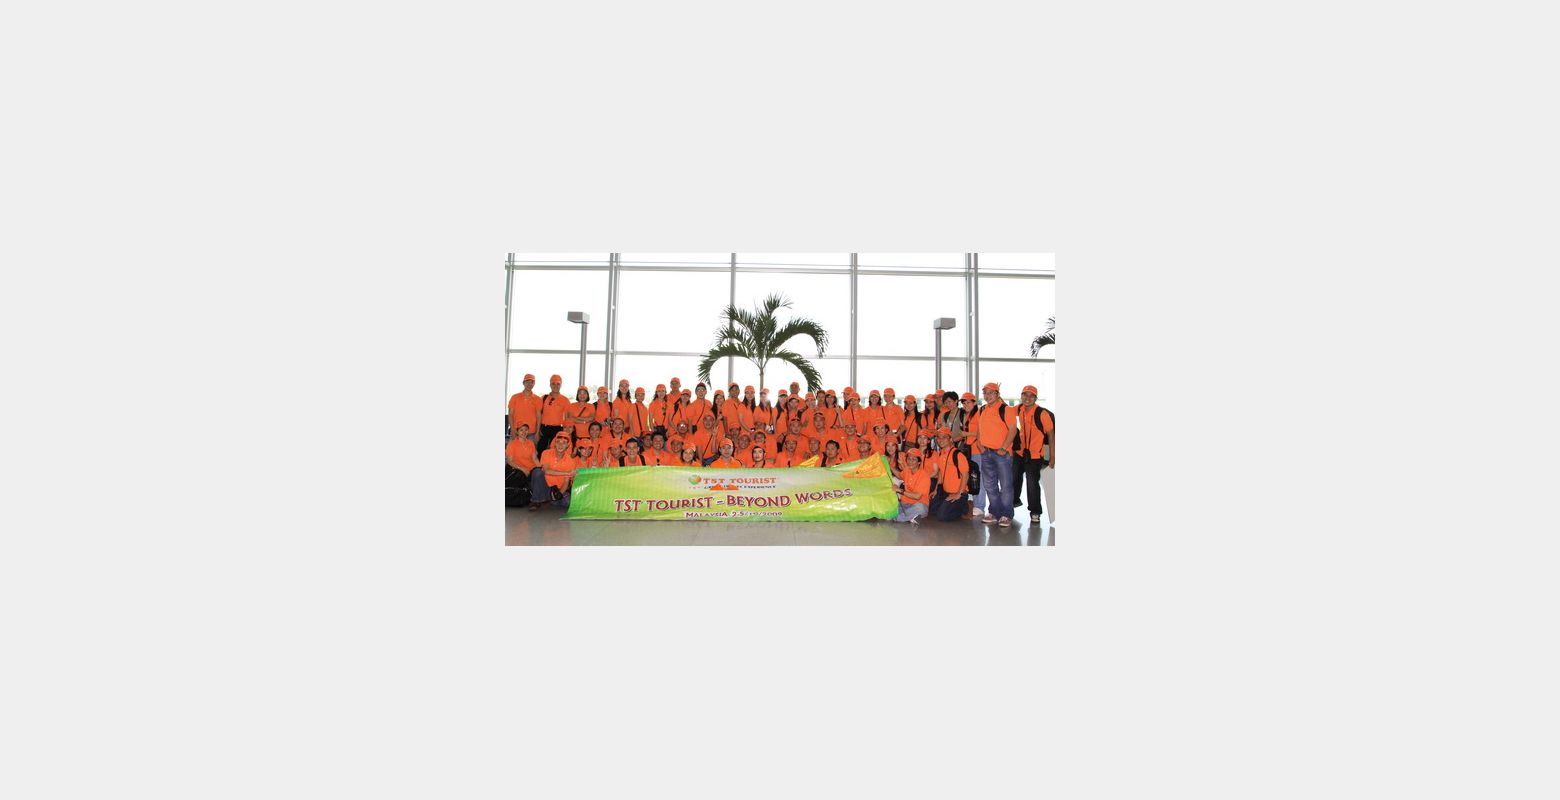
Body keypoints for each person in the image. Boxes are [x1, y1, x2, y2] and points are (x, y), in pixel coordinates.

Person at [971, 382, 1018, 527]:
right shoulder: (982, 409)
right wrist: (980, 445)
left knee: (1005, 486)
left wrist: (1003, 447)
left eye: (991, 393)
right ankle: (994, 512)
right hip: (986, 453)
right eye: (985, 393)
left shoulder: (1006, 409)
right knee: (990, 485)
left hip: (1002, 454)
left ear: (998, 394)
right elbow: (979, 429)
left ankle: (1006, 514)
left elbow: (1013, 430)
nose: (988, 395)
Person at [1012, 384, 1056, 522]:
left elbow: (1051, 435)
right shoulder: (1018, 409)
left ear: (1036, 398)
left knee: (1032, 484)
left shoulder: (1042, 414)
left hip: (1035, 455)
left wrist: (1053, 456)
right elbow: (1003, 409)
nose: (1028, 398)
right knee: (1014, 478)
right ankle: (1014, 501)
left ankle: (1035, 511)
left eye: (1031, 396)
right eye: (1025, 395)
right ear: (1021, 396)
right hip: (1019, 453)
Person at [927, 427, 971, 522]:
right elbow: (941, 473)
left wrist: (958, 494)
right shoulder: (940, 454)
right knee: (932, 510)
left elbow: (965, 475)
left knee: (942, 516)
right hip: (945, 492)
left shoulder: (958, 455)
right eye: (939, 437)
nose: (941, 440)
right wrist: (936, 490)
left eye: (944, 437)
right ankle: (948, 505)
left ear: (950, 439)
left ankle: (964, 508)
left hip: (959, 493)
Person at [532, 431, 578, 510]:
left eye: (564, 443)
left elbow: (566, 481)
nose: (560, 445)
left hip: (558, 489)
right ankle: (536, 501)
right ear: (554, 443)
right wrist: (566, 473)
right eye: (558, 442)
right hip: (545, 486)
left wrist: (559, 493)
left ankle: (549, 499)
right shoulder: (546, 453)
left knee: (568, 502)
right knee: (537, 472)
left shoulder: (570, 461)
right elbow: (546, 471)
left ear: (567, 445)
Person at [893, 448, 932, 524]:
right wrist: (889, 465)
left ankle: (899, 517)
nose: (910, 462)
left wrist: (899, 490)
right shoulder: (907, 470)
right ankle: (911, 517)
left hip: (918, 505)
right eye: (909, 459)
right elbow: (899, 475)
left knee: (920, 508)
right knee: (891, 506)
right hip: (904, 504)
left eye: (913, 459)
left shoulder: (924, 476)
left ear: (919, 462)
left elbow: (917, 496)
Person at [506, 422, 539, 505]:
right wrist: (523, 469)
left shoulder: (531, 443)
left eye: (526, 430)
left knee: (539, 473)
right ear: (517, 432)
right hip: (519, 470)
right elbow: (509, 461)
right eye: (521, 430)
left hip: (531, 469)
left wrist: (541, 468)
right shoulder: (512, 444)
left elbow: (535, 458)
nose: (524, 432)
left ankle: (537, 499)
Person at [537, 375, 570, 452]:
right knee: (540, 451)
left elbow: (567, 418)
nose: (555, 386)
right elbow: (539, 415)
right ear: (550, 385)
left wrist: (565, 432)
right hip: (544, 428)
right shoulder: (543, 398)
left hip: (558, 429)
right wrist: (538, 430)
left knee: (556, 451)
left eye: (558, 384)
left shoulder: (565, 400)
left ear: (561, 385)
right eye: (553, 383)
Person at [508, 373, 543, 441]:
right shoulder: (514, 397)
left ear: (534, 384)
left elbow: (539, 417)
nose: (529, 384)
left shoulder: (538, 399)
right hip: (516, 431)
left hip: (531, 433)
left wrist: (537, 432)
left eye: (532, 382)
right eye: (527, 382)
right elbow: (510, 415)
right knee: (513, 448)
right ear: (523, 383)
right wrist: (512, 430)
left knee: (531, 448)